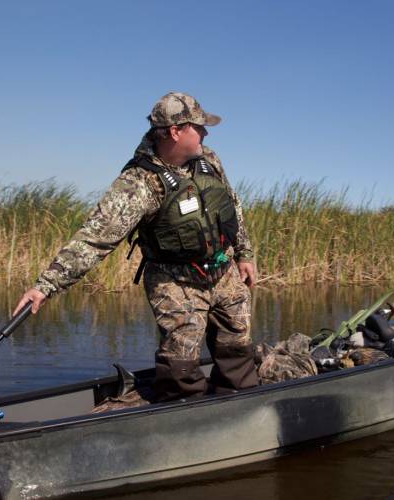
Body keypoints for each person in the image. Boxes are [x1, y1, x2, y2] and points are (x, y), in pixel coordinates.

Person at [15, 92, 259, 401]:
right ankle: (184, 413)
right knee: (181, 363)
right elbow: (94, 239)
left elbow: (231, 205)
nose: (205, 133)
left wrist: (244, 253)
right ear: (175, 131)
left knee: (237, 346)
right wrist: (46, 286)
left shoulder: (209, 159)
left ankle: (241, 403)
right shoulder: (138, 183)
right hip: (175, 281)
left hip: (224, 272)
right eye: (199, 127)